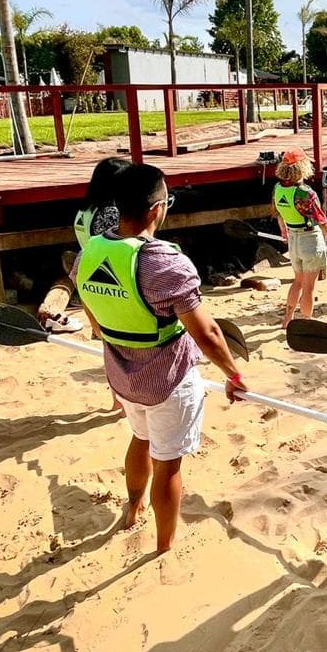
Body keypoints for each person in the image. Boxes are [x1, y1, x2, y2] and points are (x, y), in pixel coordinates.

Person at [74, 164, 246, 554]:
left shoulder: (90, 252)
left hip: (122, 377)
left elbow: (90, 308)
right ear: (157, 209)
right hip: (168, 382)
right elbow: (208, 333)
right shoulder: (164, 263)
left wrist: (109, 335)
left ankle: (133, 509)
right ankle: (164, 545)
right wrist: (233, 374)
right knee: (167, 463)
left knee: (140, 438)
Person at [38, 156, 129, 334]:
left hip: (87, 262)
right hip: (107, 272)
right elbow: (117, 246)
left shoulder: (85, 209)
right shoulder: (110, 212)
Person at [273, 149, 327, 329]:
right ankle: (306, 322)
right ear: (302, 167)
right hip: (310, 239)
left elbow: (279, 214)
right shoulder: (305, 193)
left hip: (293, 240)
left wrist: (284, 231)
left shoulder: (277, 188)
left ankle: (287, 318)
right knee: (309, 286)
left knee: (297, 281)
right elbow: (322, 221)